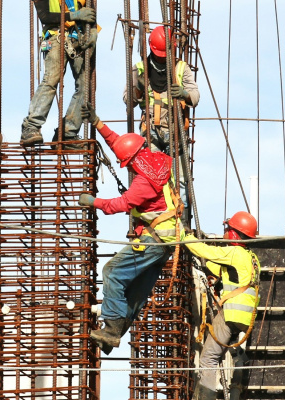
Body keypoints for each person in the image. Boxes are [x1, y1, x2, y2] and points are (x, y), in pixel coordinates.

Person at [80, 116, 184, 352]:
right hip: (165, 242)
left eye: (126, 163)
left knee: (112, 272)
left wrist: (93, 201)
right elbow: (123, 144)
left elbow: (119, 205)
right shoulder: (156, 160)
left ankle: (112, 328)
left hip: (154, 240)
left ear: (132, 160)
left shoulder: (143, 183)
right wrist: (99, 125)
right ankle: (113, 334)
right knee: (136, 292)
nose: (125, 166)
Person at [20, 0, 97, 147]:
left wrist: (91, 28)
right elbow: (45, 16)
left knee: (86, 86)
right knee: (51, 80)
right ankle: (31, 127)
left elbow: (89, 2)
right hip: (56, 36)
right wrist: (74, 15)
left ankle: (68, 133)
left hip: (79, 37)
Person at [183, 212, 260, 398]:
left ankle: (205, 398)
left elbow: (208, 252)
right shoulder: (252, 258)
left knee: (209, 358)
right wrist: (206, 266)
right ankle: (238, 377)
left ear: (235, 234)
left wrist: (186, 237)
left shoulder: (234, 252)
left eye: (228, 229)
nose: (225, 232)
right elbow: (223, 269)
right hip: (246, 317)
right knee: (233, 352)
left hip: (231, 314)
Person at [124, 25, 199, 154]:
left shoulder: (181, 68)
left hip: (175, 128)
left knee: (179, 174)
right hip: (150, 130)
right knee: (153, 171)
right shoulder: (140, 69)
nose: (163, 58)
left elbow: (195, 97)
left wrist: (184, 94)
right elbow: (128, 101)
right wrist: (139, 89)